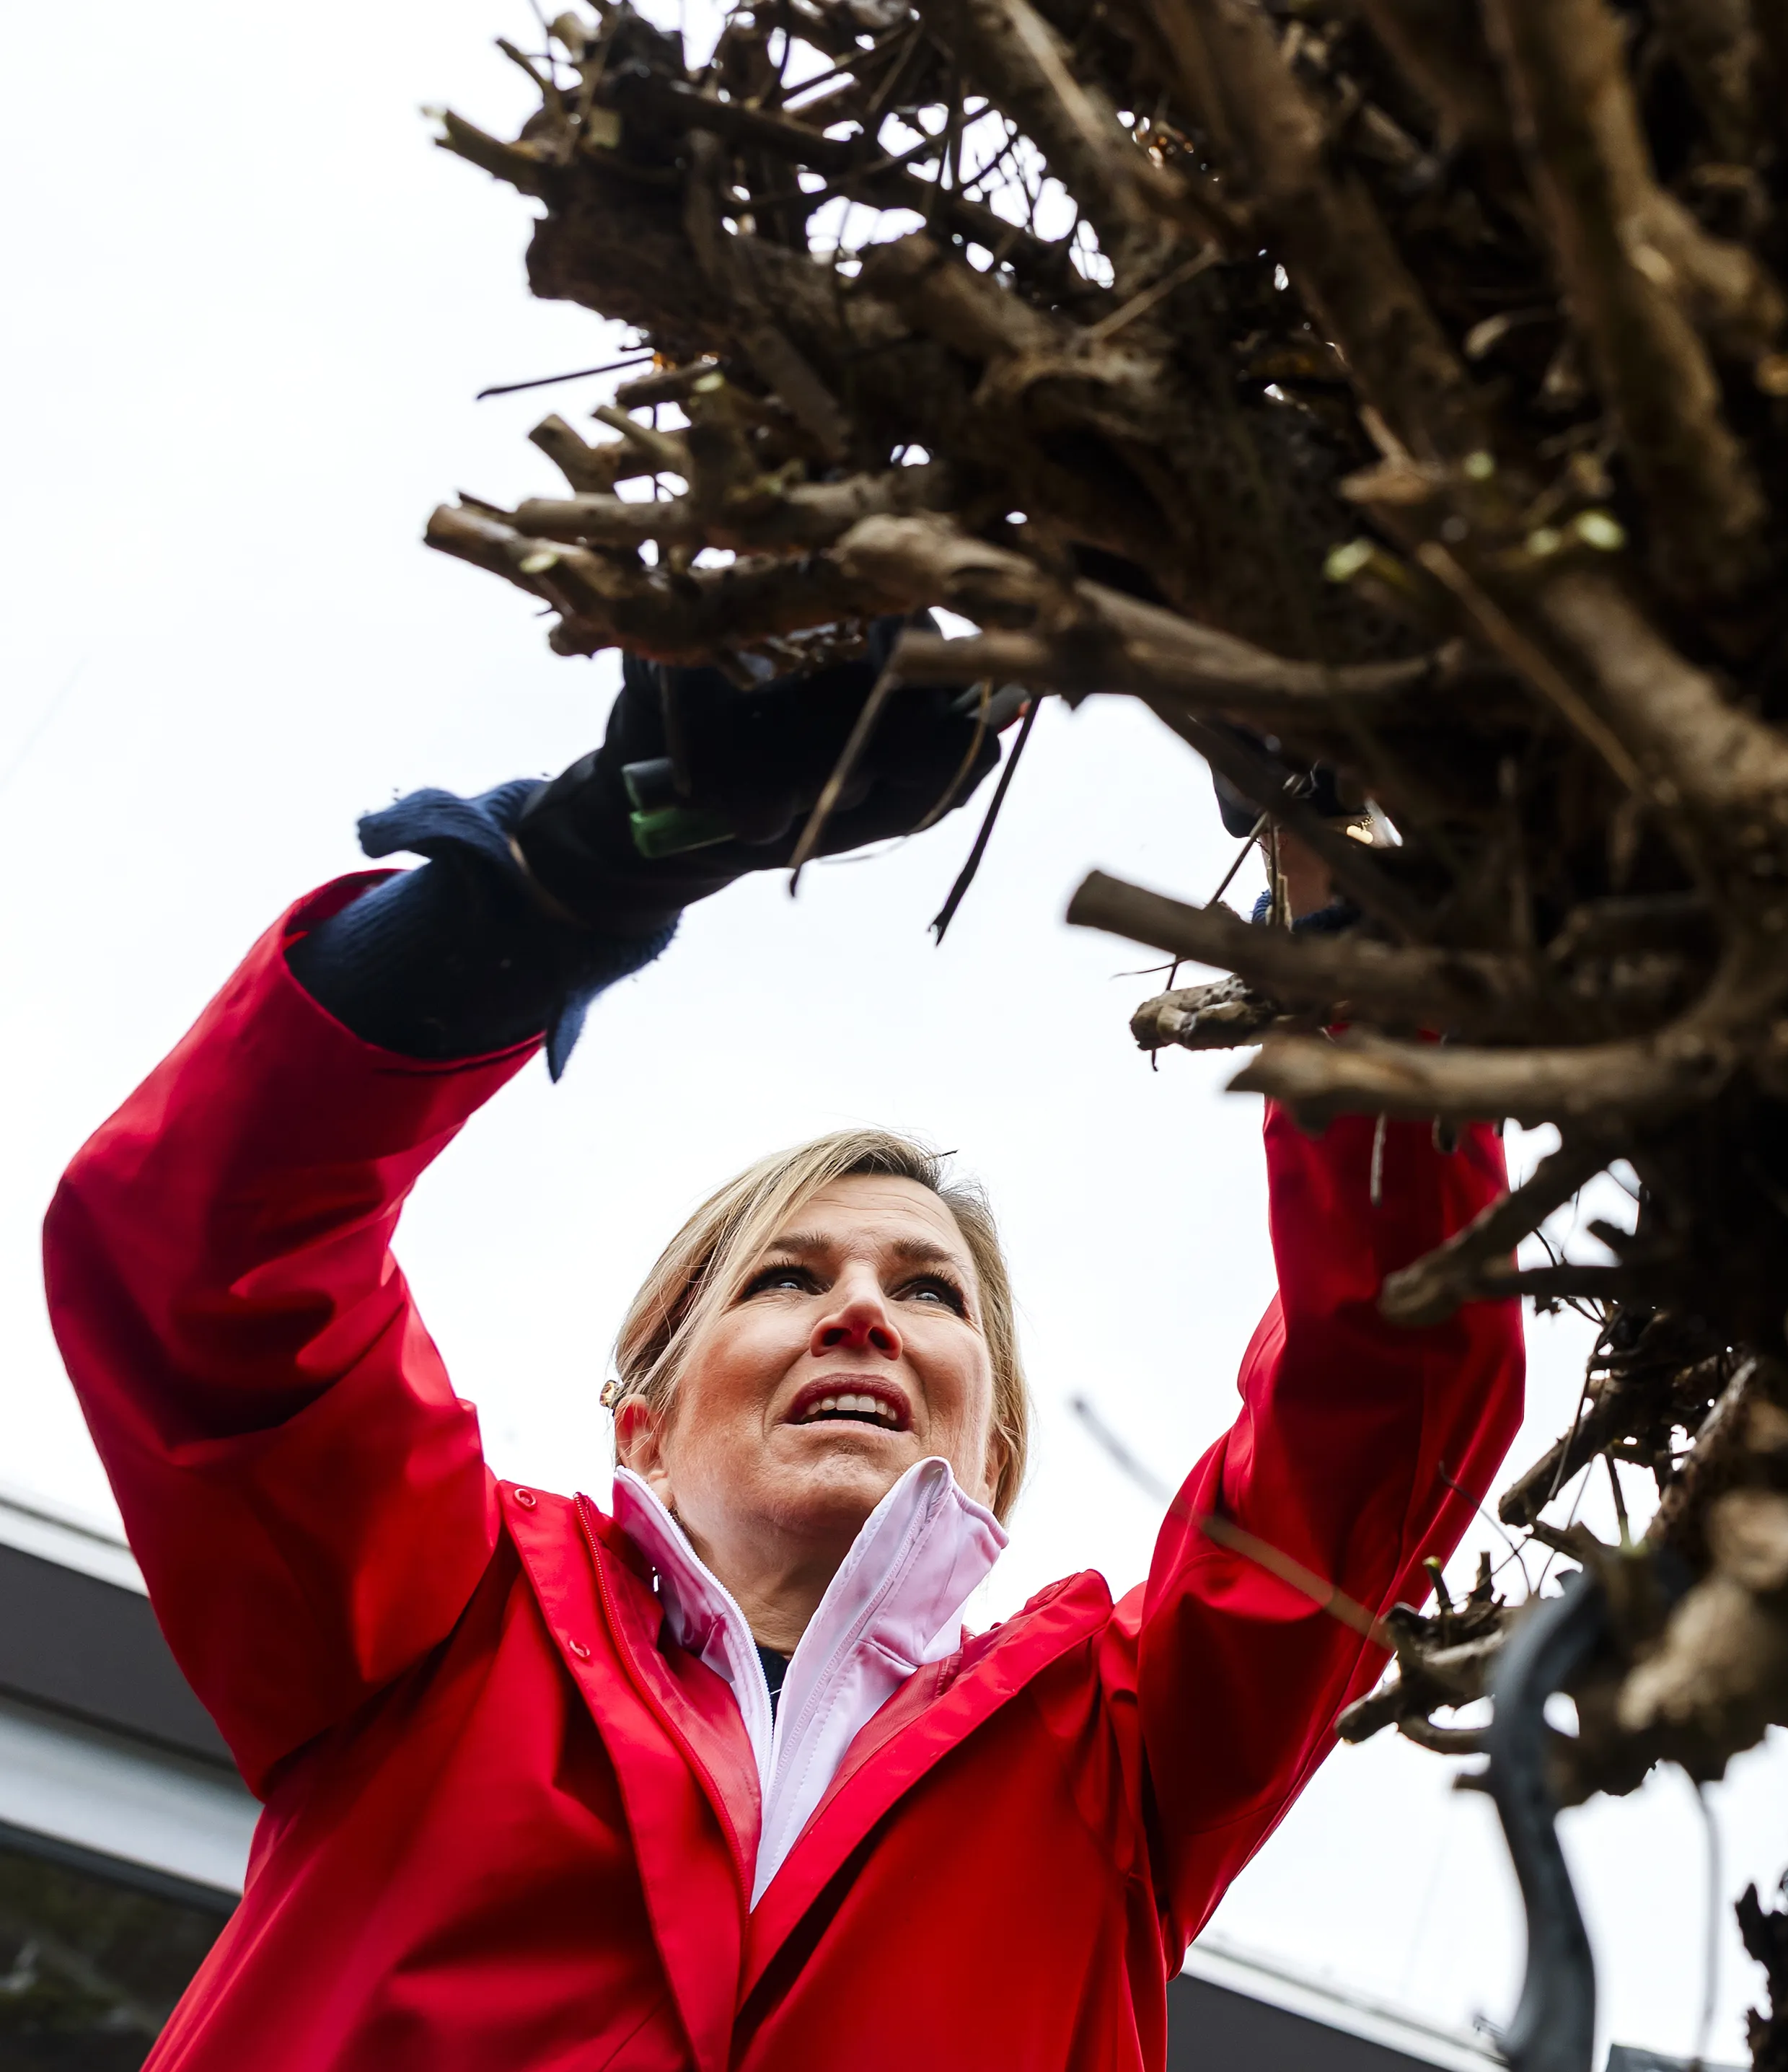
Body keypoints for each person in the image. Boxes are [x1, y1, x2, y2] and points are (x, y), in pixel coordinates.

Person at [41, 638, 1525, 2071]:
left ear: (990, 1447)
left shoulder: (1116, 1757)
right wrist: (578, 869)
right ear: (643, 1422)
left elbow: (1389, 1401)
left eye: (933, 1293)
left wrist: (1349, 900)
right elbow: (206, 1250)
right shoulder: (443, 1621)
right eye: (787, 1274)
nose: (864, 1311)